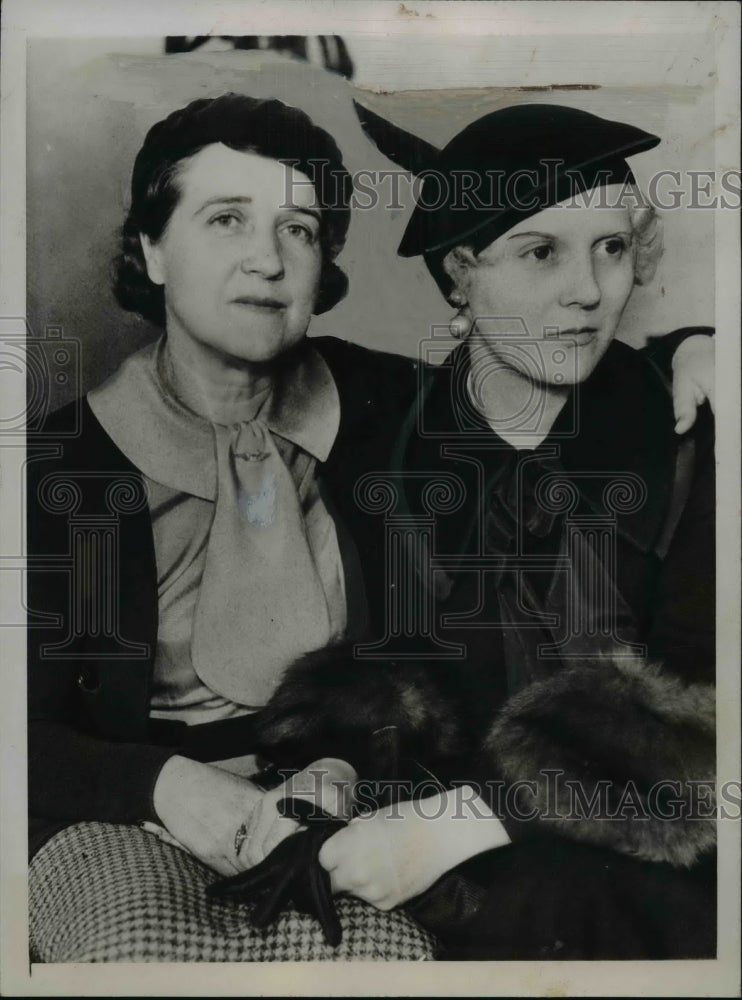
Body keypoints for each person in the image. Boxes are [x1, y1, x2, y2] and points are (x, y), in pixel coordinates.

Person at [250, 103, 717, 960]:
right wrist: (336, 764)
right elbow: (402, 656)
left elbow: (712, 713)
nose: (588, 290)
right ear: (461, 269)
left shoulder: (693, 440)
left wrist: (465, 821)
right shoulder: (396, 432)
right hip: (448, 877)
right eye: (541, 252)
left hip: (661, 885)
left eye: (611, 247)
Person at [26, 93, 436, 962]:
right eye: (226, 219)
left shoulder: (393, 407)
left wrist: (698, 345)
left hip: (349, 805)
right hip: (128, 814)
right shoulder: (55, 468)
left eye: (298, 228)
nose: (267, 259)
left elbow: (572, 387)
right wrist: (157, 782)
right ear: (152, 249)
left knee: (385, 964)